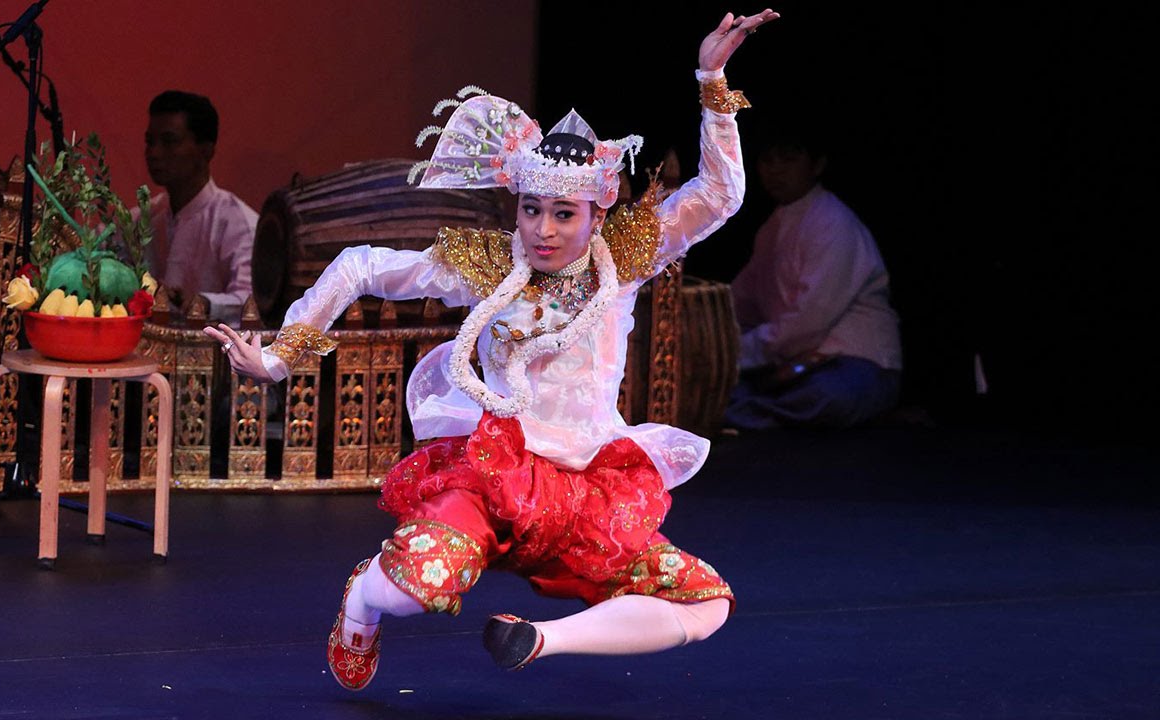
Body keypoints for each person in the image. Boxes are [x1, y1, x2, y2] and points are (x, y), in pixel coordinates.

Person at [208, 9, 779, 690]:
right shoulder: (483, 267)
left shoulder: (624, 259)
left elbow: (721, 193)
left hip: (586, 493)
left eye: (563, 214)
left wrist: (711, 77)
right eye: (530, 209)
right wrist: (279, 357)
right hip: (491, 474)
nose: (542, 229)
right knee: (411, 591)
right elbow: (361, 265)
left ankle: (536, 639)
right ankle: (363, 600)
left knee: (706, 603)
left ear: (598, 213)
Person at [725, 115, 902, 430]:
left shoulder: (833, 223)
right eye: (768, 160)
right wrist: (709, 338)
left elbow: (808, 322)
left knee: (828, 396)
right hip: (792, 365)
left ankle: (747, 413)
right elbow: (740, 302)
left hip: (854, 363)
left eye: (789, 158)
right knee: (725, 387)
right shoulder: (770, 229)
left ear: (817, 165)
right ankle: (749, 410)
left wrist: (736, 355)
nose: (775, 169)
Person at [144, 90, 257, 322]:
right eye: (150, 142)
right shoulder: (146, 217)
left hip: (217, 354)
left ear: (206, 150)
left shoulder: (236, 222)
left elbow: (251, 301)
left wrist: (202, 303)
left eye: (169, 142)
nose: (153, 153)